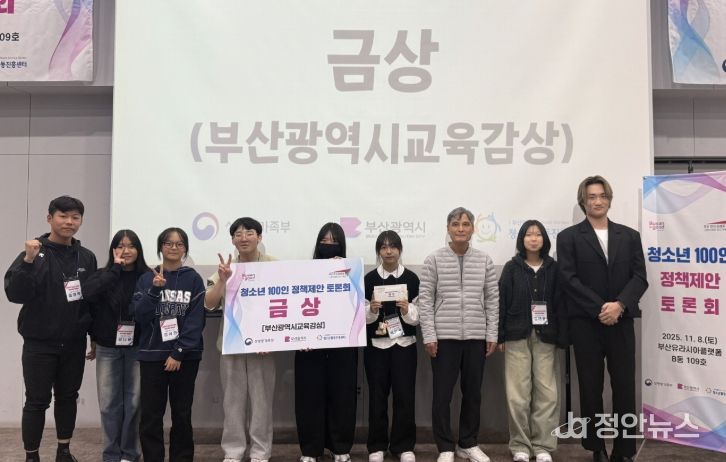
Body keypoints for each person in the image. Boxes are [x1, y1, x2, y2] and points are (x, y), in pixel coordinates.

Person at [556, 176, 648, 462]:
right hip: (585, 323)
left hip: (621, 320)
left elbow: (640, 277)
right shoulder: (569, 237)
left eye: (602, 196)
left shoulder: (629, 236)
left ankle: (624, 450)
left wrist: (619, 305)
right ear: (583, 201)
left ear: (609, 199)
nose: (597, 201)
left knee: (624, 387)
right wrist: (601, 308)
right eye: (591, 196)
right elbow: (568, 279)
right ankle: (596, 447)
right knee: (590, 387)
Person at [4, 196, 97, 462]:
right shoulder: (34, 252)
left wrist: (94, 336)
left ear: (80, 221)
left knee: (68, 397)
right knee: (37, 400)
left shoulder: (86, 257)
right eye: (63, 216)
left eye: (75, 217)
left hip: (74, 342)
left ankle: (63, 451)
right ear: (49, 218)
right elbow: (15, 294)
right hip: (39, 343)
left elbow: (92, 300)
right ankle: (31, 455)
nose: (69, 222)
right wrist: (28, 260)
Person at [418, 207, 499, 462]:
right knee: (442, 395)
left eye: (465, 224)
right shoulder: (434, 260)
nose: (460, 229)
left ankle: (468, 443)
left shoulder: (484, 260)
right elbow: (425, 301)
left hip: (476, 336)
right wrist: (429, 335)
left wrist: (491, 333)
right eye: (455, 224)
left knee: (473, 393)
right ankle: (445, 447)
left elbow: (492, 299)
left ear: (473, 228)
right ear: (448, 228)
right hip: (444, 338)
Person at [205, 217, 277, 462]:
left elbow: (287, 304)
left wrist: (271, 339)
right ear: (233, 240)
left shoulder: (274, 266)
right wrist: (223, 279)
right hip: (232, 344)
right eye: (238, 234)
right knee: (232, 403)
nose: (243, 238)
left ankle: (260, 452)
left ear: (259, 237)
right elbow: (209, 304)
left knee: (262, 403)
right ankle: (233, 451)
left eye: (249, 233)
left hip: (264, 347)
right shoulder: (227, 268)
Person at [131, 227, 206, 462]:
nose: (174, 247)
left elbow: (196, 320)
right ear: (160, 247)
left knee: (182, 414)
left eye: (179, 243)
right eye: (168, 243)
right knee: (151, 415)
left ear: (185, 249)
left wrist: (178, 352)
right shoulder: (146, 278)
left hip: (185, 357)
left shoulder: (193, 279)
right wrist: (155, 289)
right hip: (152, 355)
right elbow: (139, 315)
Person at [498, 220, 567, 462]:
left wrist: (562, 335)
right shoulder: (511, 268)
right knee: (517, 394)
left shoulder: (554, 268)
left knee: (548, 393)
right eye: (529, 234)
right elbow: (501, 301)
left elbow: (561, 302)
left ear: (544, 239)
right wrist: (499, 335)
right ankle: (520, 445)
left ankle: (543, 446)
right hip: (516, 336)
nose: (534, 238)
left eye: (538, 234)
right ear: (522, 239)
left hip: (547, 337)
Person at [84, 229, 150, 462]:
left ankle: (129, 454)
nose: (126, 250)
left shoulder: (147, 276)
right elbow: (88, 296)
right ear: (113, 250)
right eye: (120, 246)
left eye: (131, 246)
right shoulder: (103, 275)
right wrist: (115, 269)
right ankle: (111, 454)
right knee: (108, 403)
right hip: (107, 347)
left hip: (138, 347)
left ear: (139, 250)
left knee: (134, 403)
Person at [295, 223, 358, 462]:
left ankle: (340, 447)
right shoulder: (303, 272)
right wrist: (300, 335)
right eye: (324, 241)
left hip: (343, 344)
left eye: (334, 241)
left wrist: (347, 273)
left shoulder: (351, 271)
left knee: (342, 394)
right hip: (309, 344)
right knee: (309, 396)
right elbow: (294, 306)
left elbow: (357, 305)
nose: (329, 245)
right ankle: (310, 449)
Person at [364, 230, 420, 462]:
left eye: (393, 247)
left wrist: (407, 310)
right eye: (383, 247)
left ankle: (403, 446)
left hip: (404, 344)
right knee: (377, 397)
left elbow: (419, 316)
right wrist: (371, 310)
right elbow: (360, 316)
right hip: (377, 346)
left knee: (404, 396)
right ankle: (377, 446)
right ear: (378, 251)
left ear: (400, 249)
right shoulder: (368, 279)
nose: (388, 251)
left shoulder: (412, 279)